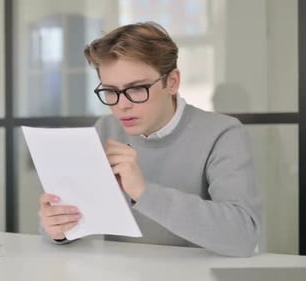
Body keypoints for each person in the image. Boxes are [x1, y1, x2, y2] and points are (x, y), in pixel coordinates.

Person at [38, 21, 262, 257]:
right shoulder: (105, 130)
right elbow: (69, 220)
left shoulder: (222, 134)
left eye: (136, 89)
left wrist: (143, 192)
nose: (122, 105)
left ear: (172, 82)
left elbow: (243, 237)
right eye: (111, 91)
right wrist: (56, 228)